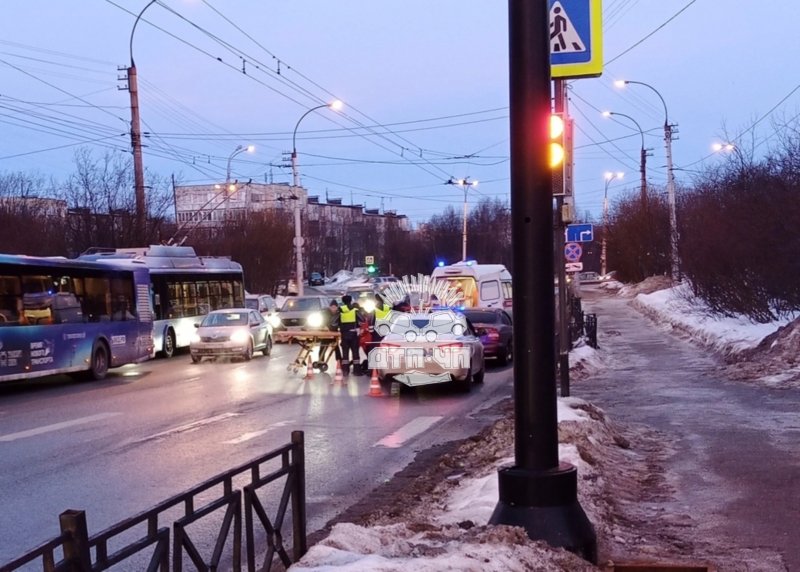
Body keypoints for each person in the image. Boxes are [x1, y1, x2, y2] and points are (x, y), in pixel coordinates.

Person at [338, 295, 361, 376]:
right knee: (355, 353)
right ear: (351, 300)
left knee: (345, 354)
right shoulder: (355, 310)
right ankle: (357, 371)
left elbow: (333, 322)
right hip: (354, 335)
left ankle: (345, 371)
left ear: (343, 301)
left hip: (344, 335)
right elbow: (362, 319)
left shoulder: (340, 310)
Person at [319, 299, 341, 365]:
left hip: (334, 334)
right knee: (323, 348)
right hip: (326, 334)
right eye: (332, 307)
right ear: (330, 307)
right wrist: (324, 326)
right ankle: (320, 362)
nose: (333, 309)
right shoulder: (325, 313)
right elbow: (322, 322)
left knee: (336, 348)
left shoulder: (339, 314)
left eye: (335, 307)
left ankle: (339, 362)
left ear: (337, 307)